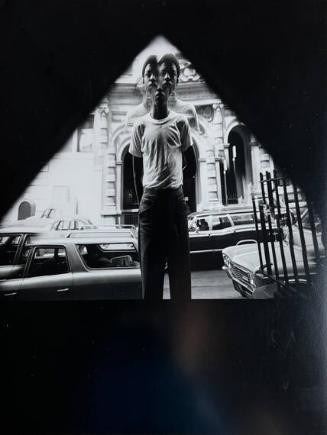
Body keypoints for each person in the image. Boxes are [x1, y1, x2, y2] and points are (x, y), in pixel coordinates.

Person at [129, 53, 194, 301]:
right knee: (151, 281)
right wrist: (144, 203)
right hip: (150, 202)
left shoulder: (181, 123)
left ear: (171, 85)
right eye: (152, 79)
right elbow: (136, 170)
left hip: (175, 202)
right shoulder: (140, 126)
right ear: (147, 85)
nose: (159, 85)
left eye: (164, 79)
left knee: (181, 280)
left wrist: (180, 195)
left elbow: (192, 167)